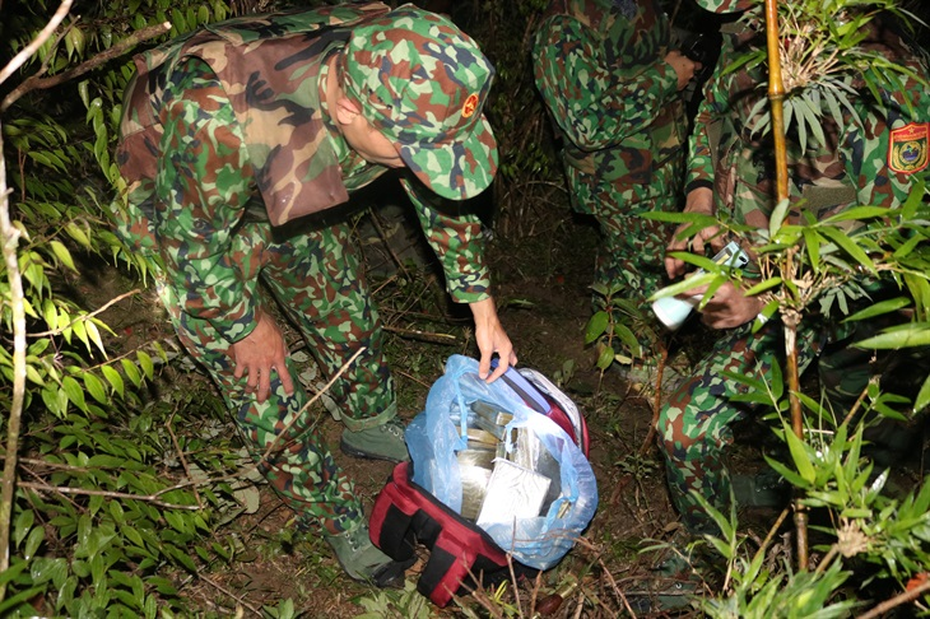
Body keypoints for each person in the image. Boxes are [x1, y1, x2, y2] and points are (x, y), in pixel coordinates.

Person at [108, 1, 517, 587]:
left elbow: (437, 187)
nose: (425, 167)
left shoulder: (401, 58)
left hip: (281, 171)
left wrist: (482, 305)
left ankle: (367, 422)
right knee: (260, 377)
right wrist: (248, 325)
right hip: (180, 206)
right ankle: (338, 519)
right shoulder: (214, 115)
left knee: (344, 309)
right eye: (412, 151)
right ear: (348, 107)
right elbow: (189, 245)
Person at [658, 0, 930, 539]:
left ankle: (797, 559)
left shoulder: (882, 71)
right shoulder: (754, 22)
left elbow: (890, 232)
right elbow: (715, 106)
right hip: (752, 257)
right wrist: (700, 196)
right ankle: (723, 556)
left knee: (843, 439)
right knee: (690, 425)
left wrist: (767, 294)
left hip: (838, 293)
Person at [531, 0, 701, 336]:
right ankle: (647, 370)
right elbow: (587, 125)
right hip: (618, 181)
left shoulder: (625, 7)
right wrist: (667, 76)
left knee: (622, 272)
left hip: (656, 169)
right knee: (653, 279)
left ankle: (617, 347)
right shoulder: (563, 27)